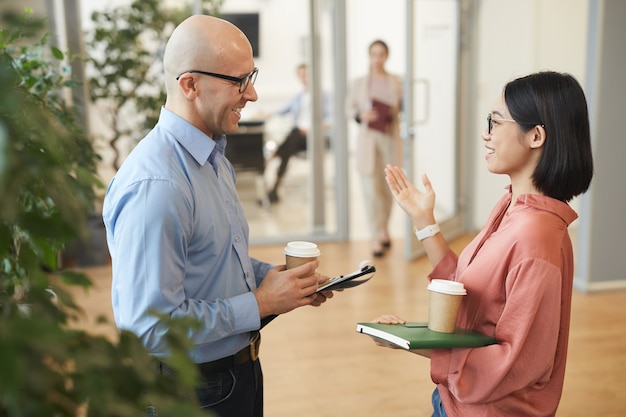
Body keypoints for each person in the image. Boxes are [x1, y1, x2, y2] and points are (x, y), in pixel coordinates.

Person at [102, 15, 333, 417]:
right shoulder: (158, 186)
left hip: (233, 376)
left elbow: (213, 259)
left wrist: (276, 282)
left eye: (252, 76)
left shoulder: (211, 157)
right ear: (189, 85)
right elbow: (150, 327)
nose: (254, 94)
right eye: (238, 81)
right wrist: (260, 303)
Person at [372, 71, 594, 417]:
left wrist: (408, 342)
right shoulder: (510, 206)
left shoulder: (535, 239)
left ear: (535, 136)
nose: (485, 133)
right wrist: (424, 222)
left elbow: (515, 362)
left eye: (495, 122)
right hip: (453, 401)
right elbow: (469, 290)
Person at [347, 39, 403, 257]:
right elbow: (348, 108)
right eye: (374, 54)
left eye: (381, 54)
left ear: (386, 56)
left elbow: (403, 108)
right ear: (369, 56)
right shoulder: (359, 83)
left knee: (389, 189)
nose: (377, 58)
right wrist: (361, 115)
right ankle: (375, 235)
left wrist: (392, 112)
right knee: (371, 189)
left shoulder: (396, 81)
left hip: (389, 138)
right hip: (368, 140)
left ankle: (384, 227)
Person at [263, 63, 331, 203]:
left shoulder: (323, 95)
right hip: (297, 138)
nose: (304, 77)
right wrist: (265, 114)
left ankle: (276, 155)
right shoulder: (299, 97)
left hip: (313, 138)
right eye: (301, 75)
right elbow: (283, 110)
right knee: (292, 139)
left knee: (291, 139)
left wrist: (312, 129)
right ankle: (274, 190)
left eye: (306, 74)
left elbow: (330, 118)